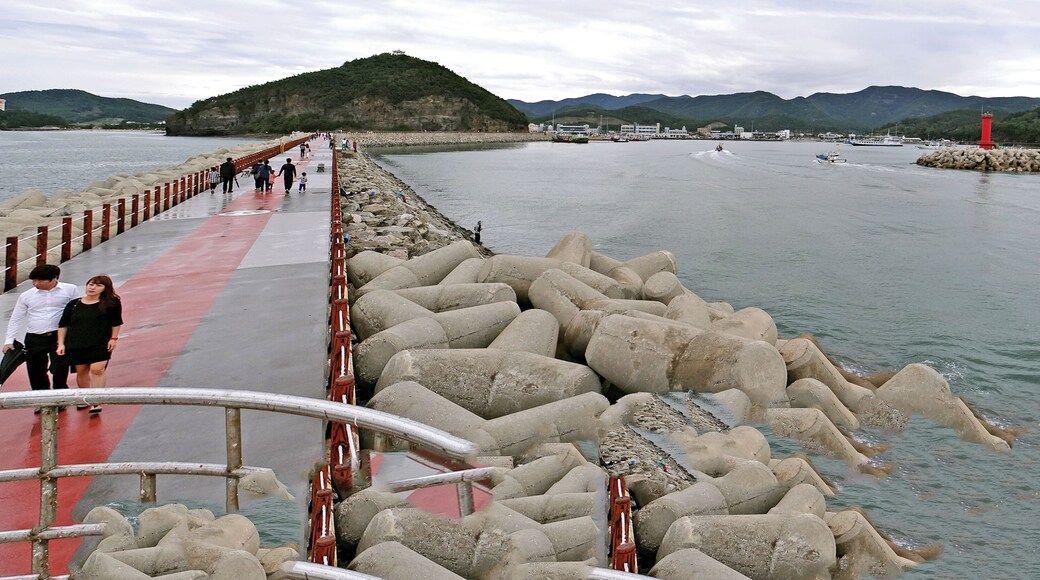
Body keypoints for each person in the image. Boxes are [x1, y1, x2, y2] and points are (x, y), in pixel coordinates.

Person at [3, 264, 79, 410]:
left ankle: (61, 397)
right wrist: (9, 340)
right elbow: (16, 318)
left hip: (59, 336)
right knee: (35, 370)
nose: (36, 284)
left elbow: (76, 310)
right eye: (34, 280)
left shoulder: (70, 290)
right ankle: (42, 400)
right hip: (35, 336)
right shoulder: (26, 296)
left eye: (40, 280)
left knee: (60, 367)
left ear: (54, 278)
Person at [56, 275, 123, 415]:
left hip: (100, 341)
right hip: (77, 342)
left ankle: (96, 401)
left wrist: (113, 338)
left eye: (98, 285)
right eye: (91, 284)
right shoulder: (74, 304)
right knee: (81, 371)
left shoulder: (111, 303)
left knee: (97, 369)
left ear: (105, 288)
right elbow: (63, 325)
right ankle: (85, 396)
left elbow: (116, 322)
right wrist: (61, 343)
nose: (93, 288)